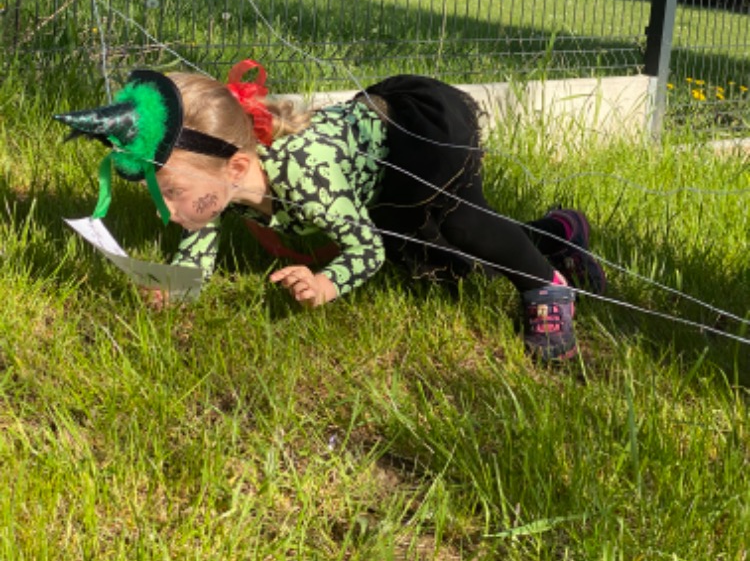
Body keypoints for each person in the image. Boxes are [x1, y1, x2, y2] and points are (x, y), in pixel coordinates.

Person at [55, 60, 606, 362]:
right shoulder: (221, 187)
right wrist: (178, 290)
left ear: (238, 167)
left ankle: (545, 285)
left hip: (416, 138)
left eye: (173, 194)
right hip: (372, 167)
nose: (168, 212)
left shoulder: (307, 181)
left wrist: (326, 283)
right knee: (441, 260)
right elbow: (198, 249)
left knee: (462, 223)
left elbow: (367, 248)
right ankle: (556, 233)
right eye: (161, 197)